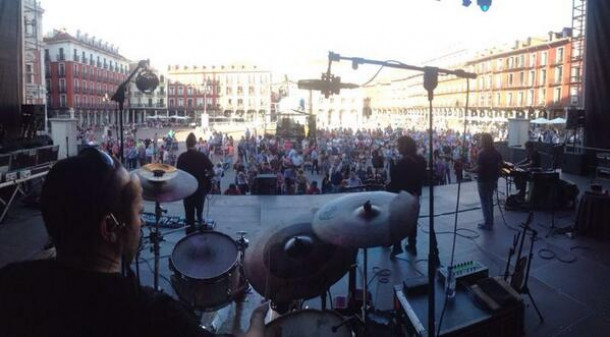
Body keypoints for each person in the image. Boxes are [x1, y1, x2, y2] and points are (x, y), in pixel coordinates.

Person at [0, 148, 266, 337]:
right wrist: (253, 319)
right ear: (110, 228)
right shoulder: (154, 317)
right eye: (139, 214)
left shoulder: (12, 285)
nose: (141, 224)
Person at [387, 136, 426, 257]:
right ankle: (412, 245)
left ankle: (397, 246)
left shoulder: (402, 163)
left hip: (403, 196)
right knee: (412, 221)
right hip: (415, 195)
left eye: (399, 145)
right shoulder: (421, 160)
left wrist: (392, 168)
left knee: (397, 220)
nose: (397, 148)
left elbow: (395, 183)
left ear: (405, 146)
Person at [177, 133, 215, 234]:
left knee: (189, 217)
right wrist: (206, 179)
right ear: (195, 143)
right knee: (199, 214)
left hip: (187, 191)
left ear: (186, 144)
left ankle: (189, 237)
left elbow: (178, 174)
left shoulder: (182, 157)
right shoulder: (201, 156)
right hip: (200, 189)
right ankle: (201, 235)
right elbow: (212, 172)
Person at [467, 133, 503, 230]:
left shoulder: (482, 153)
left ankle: (487, 223)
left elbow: (479, 168)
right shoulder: (496, 153)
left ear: (484, 141)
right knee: (490, 201)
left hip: (483, 181)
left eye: (481, 139)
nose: (480, 141)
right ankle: (490, 222)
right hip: (492, 180)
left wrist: (470, 170)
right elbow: (501, 165)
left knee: (484, 202)